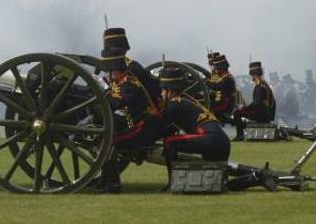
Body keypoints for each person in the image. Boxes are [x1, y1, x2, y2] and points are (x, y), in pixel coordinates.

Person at [159, 64, 275, 191]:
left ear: (170, 90)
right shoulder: (186, 99)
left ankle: (171, 182)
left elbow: (160, 127)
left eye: (163, 90)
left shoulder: (174, 104)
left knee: (169, 142)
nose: (161, 93)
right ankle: (257, 177)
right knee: (217, 183)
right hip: (221, 141)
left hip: (209, 139)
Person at [94, 47, 163, 193]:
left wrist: (103, 88)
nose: (107, 74)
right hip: (140, 123)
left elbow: (117, 102)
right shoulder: (124, 81)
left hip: (144, 127)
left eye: (109, 71)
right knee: (106, 139)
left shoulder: (129, 83)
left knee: (107, 142)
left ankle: (112, 185)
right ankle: (105, 180)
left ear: (116, 71)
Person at [231, 61, 276, 141]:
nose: (252, 78)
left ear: (254, 74)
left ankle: (240, 135)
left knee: (237, 113)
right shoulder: (263, 84)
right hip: (265, 113)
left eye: (252, 75)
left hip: (262, 114)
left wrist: (245, 108)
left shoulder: (260, 86)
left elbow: (257, 103)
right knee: (242, 113)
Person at [205, 52, 237, 123]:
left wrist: (206, 81)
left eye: (217, 69)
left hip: (226, 103)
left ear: (221, 69)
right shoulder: (225, 77)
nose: (215, 70)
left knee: (208, 109)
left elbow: (216, 87)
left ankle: (231, 122)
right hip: (223, 101)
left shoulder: (227, 78)